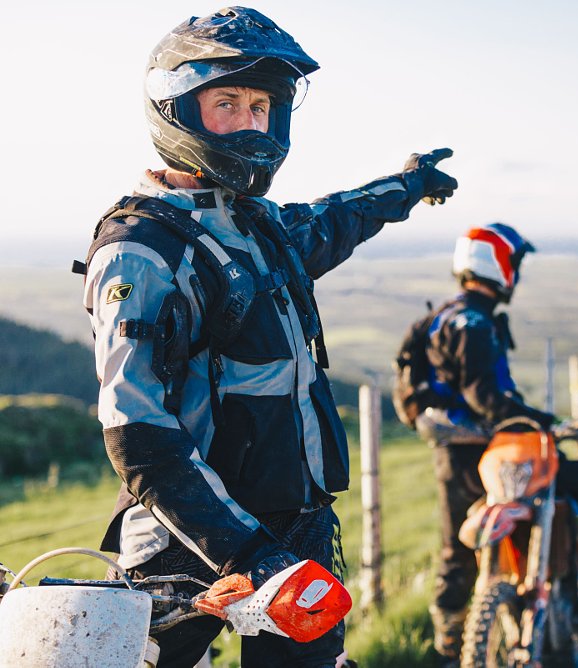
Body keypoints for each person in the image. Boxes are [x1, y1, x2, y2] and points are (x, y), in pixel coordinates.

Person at [78, 7, 457, 667]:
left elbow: (341, 217)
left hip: (296, 525)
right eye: (228, 103)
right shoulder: (143, 247)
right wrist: (249, 553)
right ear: (176, 110)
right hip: (189, 545)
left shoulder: (258, 226)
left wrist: (410, 184)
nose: (251, 123)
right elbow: (134, 429)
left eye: (263, 106)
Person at [411, 224, 578, 666]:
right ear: (497, 264)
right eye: (514, 263)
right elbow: (489, 399)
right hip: (488, 453)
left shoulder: (447, 316)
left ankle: (451, 650)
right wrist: (553, 425)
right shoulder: (475, 323)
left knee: (456, 549)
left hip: (455, 453)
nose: (515, 273)